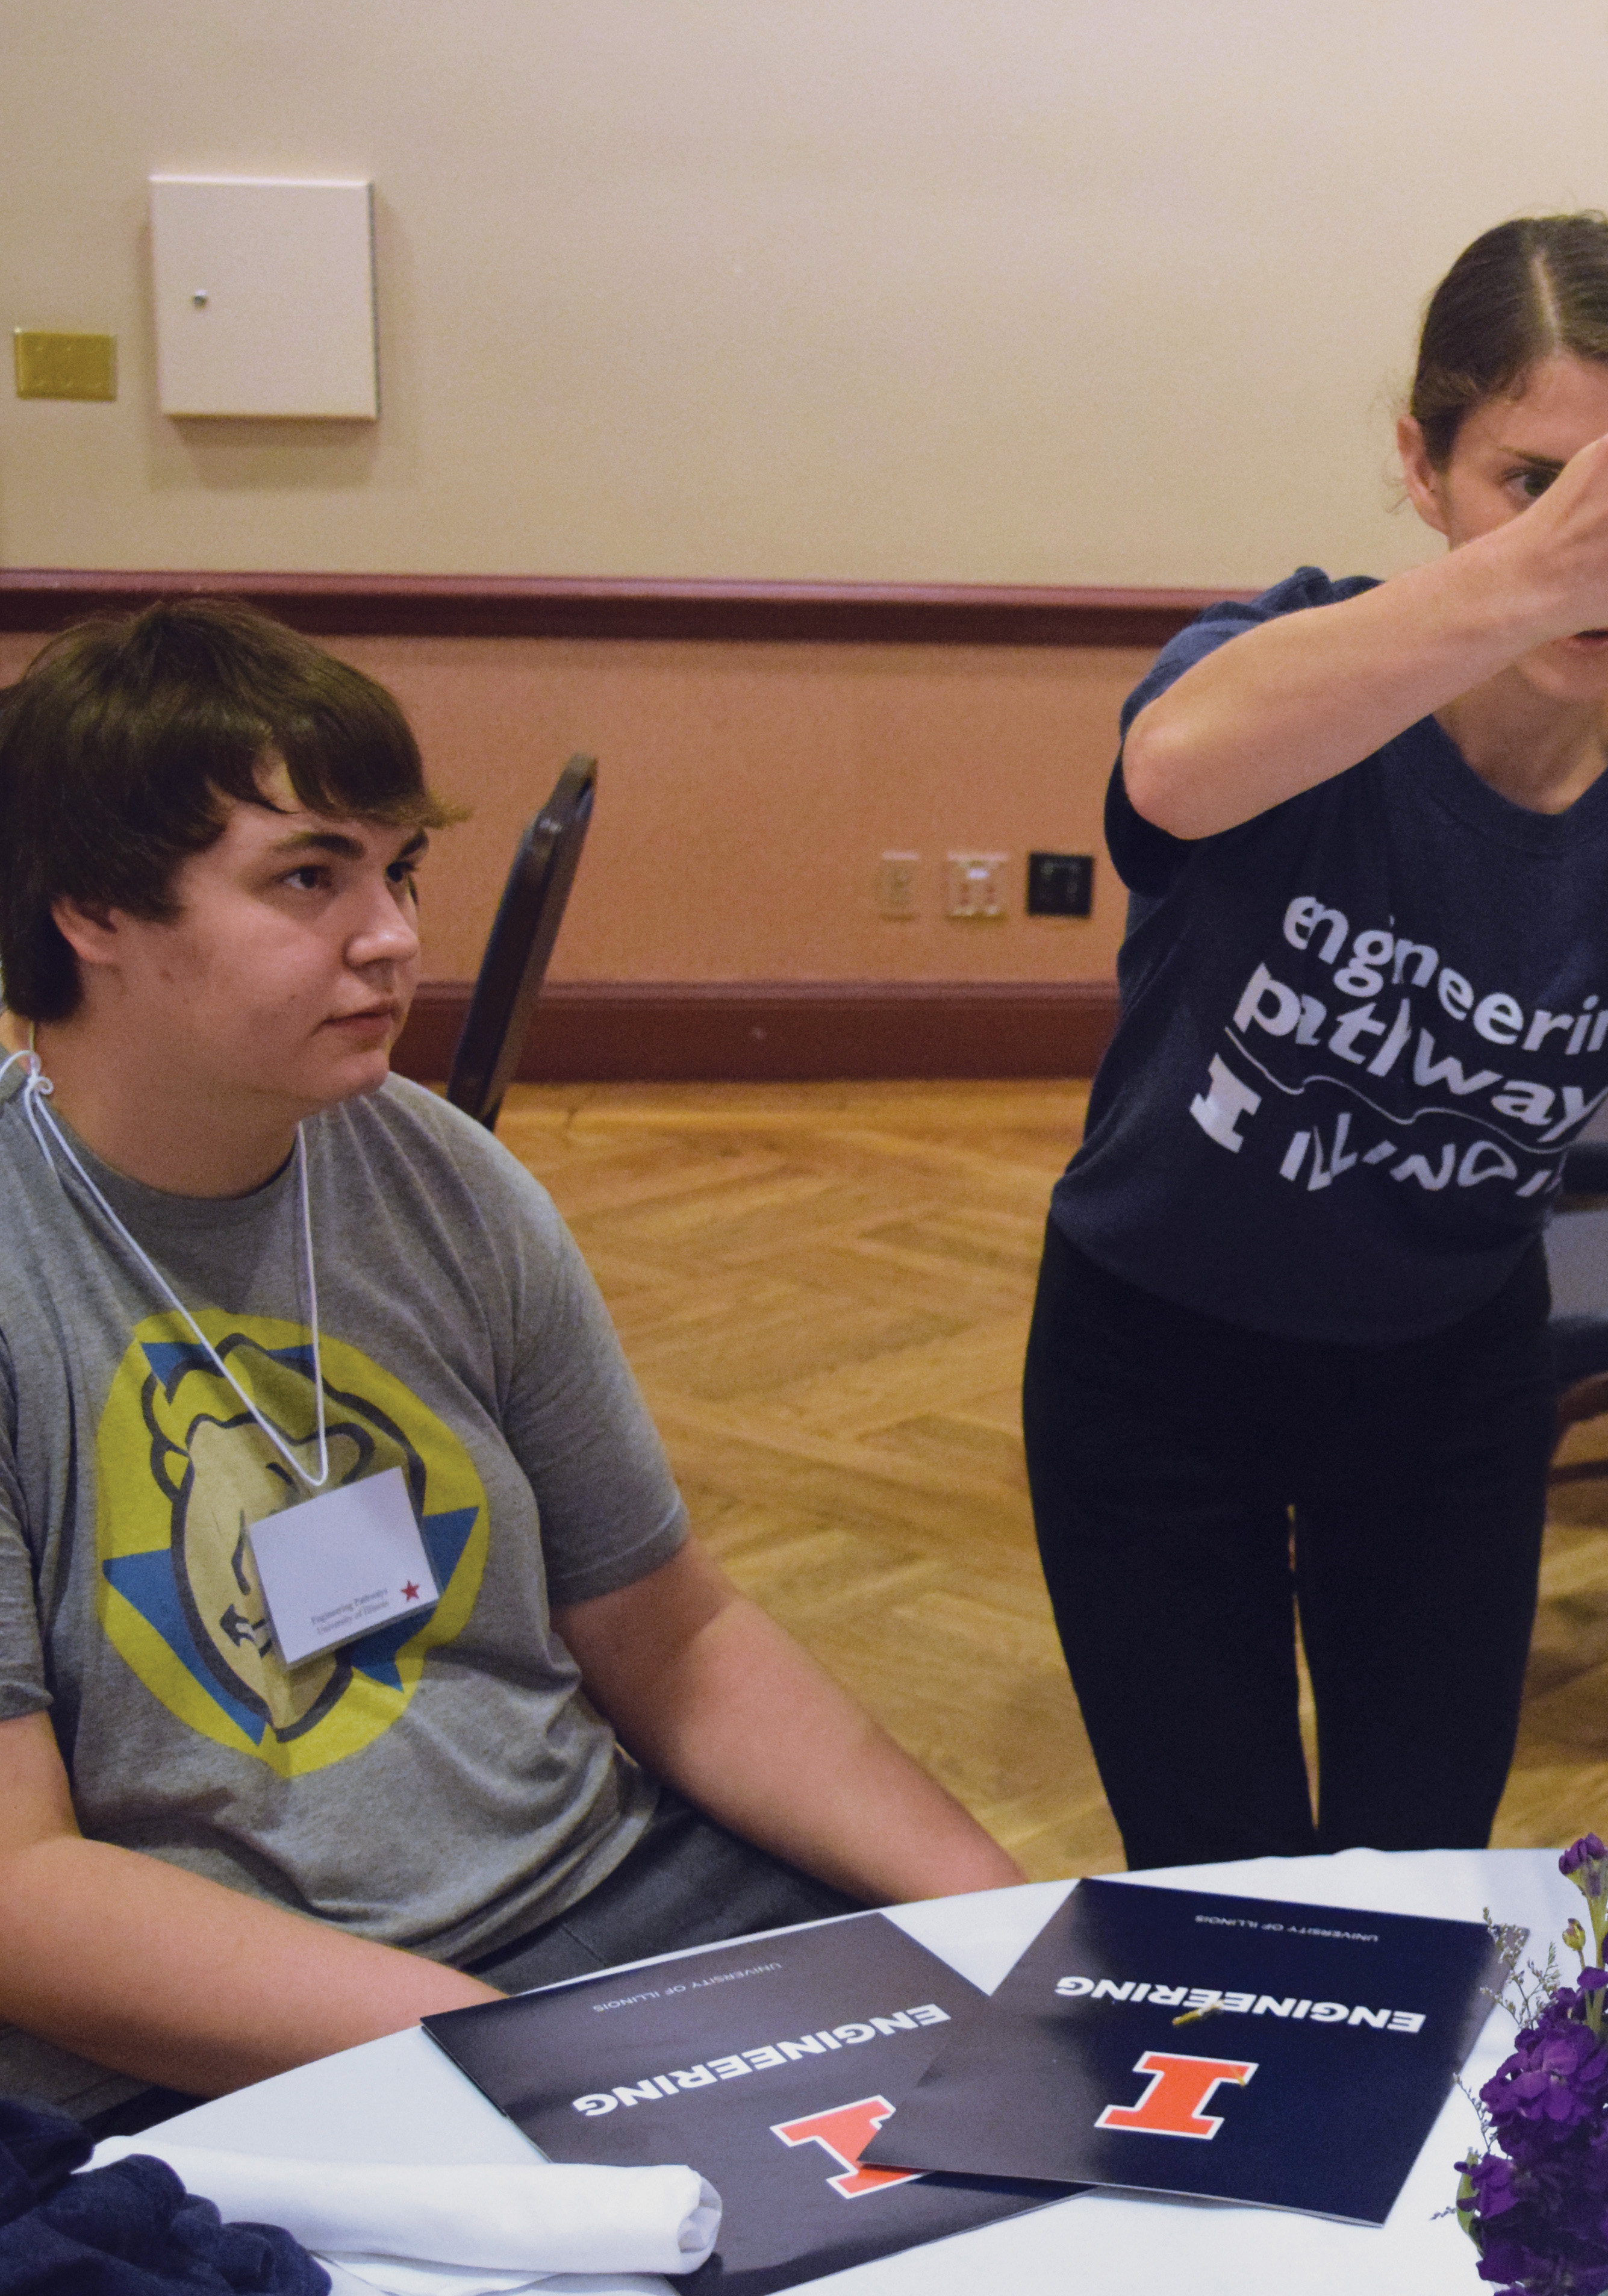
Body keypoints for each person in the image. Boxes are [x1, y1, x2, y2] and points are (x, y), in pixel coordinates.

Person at [0, 600, 1024, 2131]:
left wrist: (1005, 1916)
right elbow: (23, 1892)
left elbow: (667, 1629)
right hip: (219, 2038)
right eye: (307, 877)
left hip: (598, 1901)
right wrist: (535, 2068)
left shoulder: (438, 1175)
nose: (396, 932)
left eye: (397, 868)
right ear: (92, 911)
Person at [1026, 212, 1608, 1871]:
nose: (1600, 543)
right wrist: (1550, 570)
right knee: (1218, 1883)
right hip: (1153, 1363)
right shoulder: (1293, 669)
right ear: (1421, 463)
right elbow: (1170, 774)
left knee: (1416, 1884)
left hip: (1444, 1380)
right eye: (1541, 479)